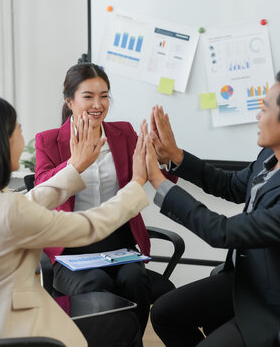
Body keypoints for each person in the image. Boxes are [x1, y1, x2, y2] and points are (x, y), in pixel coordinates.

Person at [143, 67, 280, 347]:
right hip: (249, 281)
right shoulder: (272, 154)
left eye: (265, 108)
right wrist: (176, 156)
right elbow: (231, 185)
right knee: (164, 313)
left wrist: (158, 182)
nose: (258, 116)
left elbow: (221, 232)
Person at [0, 95, 150, 347]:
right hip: (14, 329)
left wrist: (75, 166)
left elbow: (31, 200)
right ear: (1, 143)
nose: (23, 138)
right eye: (18, 130)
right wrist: (137, 183)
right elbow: (89, 227)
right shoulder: (9, 209)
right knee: (125, 325)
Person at [35, 62, 177, 336]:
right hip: (71, 248)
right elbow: (42, 190)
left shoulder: (123, 133)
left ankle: (132, 343)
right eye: (88, 96)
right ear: (69, 101)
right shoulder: (49, 141)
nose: (98, 104)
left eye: (104, 95)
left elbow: (157, 174)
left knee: (134, 279)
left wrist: (166, 157)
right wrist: (75, 164)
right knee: (96, 283)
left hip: (118, 243)